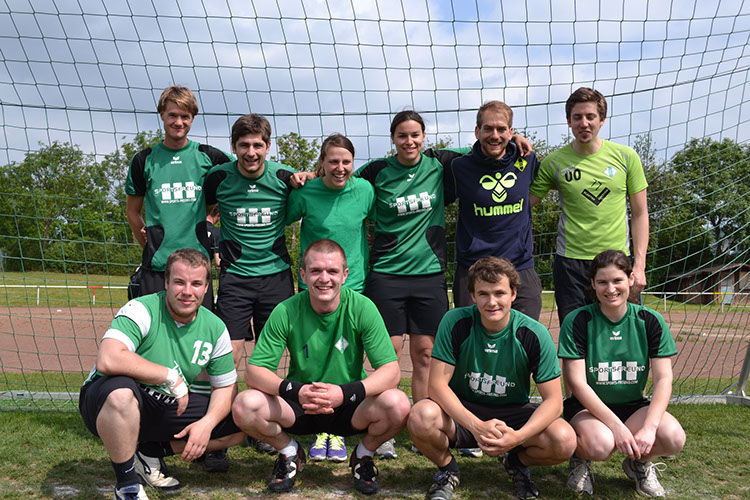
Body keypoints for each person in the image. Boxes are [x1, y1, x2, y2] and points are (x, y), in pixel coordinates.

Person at [357, 110, 532, 457]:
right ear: (393, 139)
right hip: (387, 273)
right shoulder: (376, 171)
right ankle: (384, 425)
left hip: (429, 273)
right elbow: (342, 179)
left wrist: (514, 139)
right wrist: (315, 172)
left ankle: (420, 428)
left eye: (415, 135)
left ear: (424, 137)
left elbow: (485, 150)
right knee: (387, 354)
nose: (409, 141)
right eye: (402, 135)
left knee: (426, 354)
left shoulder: (441, 163)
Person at [232, 239, 411, 495]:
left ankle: (363, 456)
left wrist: (345, 393)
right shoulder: (285, 310)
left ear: (345, 275)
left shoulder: (363, 307)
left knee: (399, 404)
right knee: (244, 404)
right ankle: (290, 452)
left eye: (332, 271)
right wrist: (297, 391)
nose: (324, 279)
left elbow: (391, 372)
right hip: (300, 404)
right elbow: (254, 372)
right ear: (303, 275)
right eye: (315, 271)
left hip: (349, 405)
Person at [78, 248, 245, 500]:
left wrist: (207, 424)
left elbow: (225, 387)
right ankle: (127, 485)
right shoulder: (141, 309)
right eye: (179, 282)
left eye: (196, 284)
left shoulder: (215, 327)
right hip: (107, 401)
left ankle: (150, 451)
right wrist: (169, 376)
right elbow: (108, 358)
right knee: (121, 393)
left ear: (206, 287)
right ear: (166, 282)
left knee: (239, 424)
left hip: (163, 405)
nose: (187, 291)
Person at [408, 256, 576, 500]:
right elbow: (436, 386)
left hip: (513, 413)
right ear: (473, 295)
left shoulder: (534, 333)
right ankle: (447, 470)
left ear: (513, 294)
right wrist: (477, 426)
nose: (492, 302)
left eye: (499, 293)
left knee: (564, 439)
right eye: (483, 294)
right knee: (420, 415)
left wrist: (518, 437)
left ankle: (516, 462)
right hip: (464, 411)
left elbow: (554, 402)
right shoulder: (455, 321)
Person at [558, 250, 685, 497]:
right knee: (601, 444)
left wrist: (649, 428)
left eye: (617, 280)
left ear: (631, 279)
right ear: (592, 283)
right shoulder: (578, 320)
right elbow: (577, 382)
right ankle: (580, 460)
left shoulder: (650, 320)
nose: (611, 289)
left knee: (673, 438)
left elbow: (663, 379)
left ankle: (639, 464)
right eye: (602, 282)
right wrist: (616, 426)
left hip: (634, 407)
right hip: (587, 409)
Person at [286, 134, 375, 462]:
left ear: (353, 163)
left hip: (354, 286)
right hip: (314, 286)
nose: (340, 167)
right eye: (333, 161)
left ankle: (336, 429)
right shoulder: (305, 191)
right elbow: (282, 219)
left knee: (346, 356)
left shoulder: (365, 190)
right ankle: (318, 424)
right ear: (321, 163)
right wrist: (295, 177)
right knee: (313, 354)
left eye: (346, 161)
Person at [529, 87, 649, 325]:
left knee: (625, 334)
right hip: (570, 264)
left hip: (616, 261)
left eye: (590, 116)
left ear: (602, 119)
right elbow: (523, 205)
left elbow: (640, 214)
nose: (584, 123)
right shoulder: (554, 162)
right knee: (575, 335)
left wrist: (640, 265)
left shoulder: (626, 157)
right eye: (577, 117)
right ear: (568, 121)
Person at [125, 86, 232, 309]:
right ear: (162, 115)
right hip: (157, 267)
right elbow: (132, 213)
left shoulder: (209, 156)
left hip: (197, 267)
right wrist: (149, 245)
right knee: (153, 329)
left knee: (198, 329)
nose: (179, 122)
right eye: (172, 115)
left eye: (185, 116)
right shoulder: (144, 160)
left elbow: (247, 171)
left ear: (193, 118)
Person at [445, 100, 543, 320]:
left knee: (525, 336)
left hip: (520, 265)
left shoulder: (527, 160)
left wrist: (516, 140)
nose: (495, 135)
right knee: (469, 337)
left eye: (501, 129)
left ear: (510, 132)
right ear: (477, 131)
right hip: (473, 268)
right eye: (488, 129)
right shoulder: (459, 167)